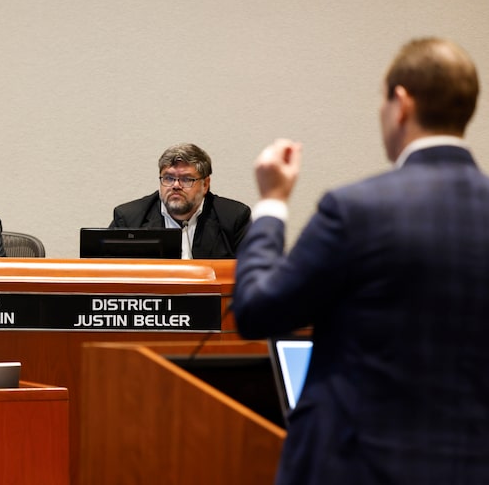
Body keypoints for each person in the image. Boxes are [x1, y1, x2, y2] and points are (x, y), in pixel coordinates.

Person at [231, 38, 489, 483]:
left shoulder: (357, 209)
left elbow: (256, 310)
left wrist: (272, 203)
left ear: (401, 102)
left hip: (357, 467)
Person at [109, 143, 251, 258]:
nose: (176, 186)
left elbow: (253, 276)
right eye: (169, 178)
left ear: (205, 184)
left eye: (186, 179)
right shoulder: (129, 219)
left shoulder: (233, 219)